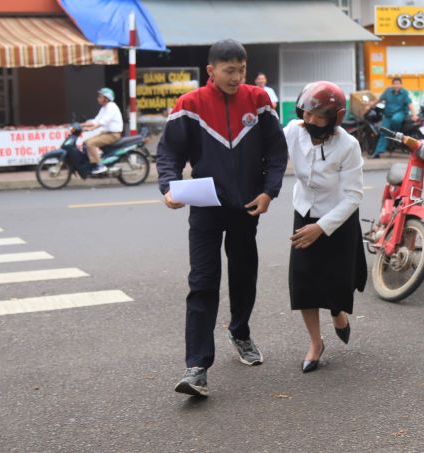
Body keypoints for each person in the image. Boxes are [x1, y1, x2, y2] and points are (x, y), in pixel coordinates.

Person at [157, 39, 288, 398]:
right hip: (205, 208)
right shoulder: (190, 105)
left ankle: (240, 332)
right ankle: (197, 366)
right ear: (210, 71)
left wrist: (268, 192)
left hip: (247, 206)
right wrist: (169, 188)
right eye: (229, 70)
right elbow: (168, 151)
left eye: (241, 69)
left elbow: (277, 151)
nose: (237, 77)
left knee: (244, 274)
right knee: (202, 281)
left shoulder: (259, 101)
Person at [284, 81, 366, 374]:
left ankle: (337, 310)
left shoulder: (348, 146)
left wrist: (321, 227)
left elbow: (354, 196)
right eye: (307, 114)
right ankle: (316, 342)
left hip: (337, 218)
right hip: (304, 211)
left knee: (336, 282)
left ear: (334, 118)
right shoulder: (294, 131)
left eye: (319, 117)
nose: (311, 121)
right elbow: (272, 158)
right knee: (303, 281)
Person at [81, 87, 123, 175]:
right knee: (85, 143)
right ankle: (92, 164)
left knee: (90, 144)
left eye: (100, 97)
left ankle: (99, 166)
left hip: (113, 135)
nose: (98, 98)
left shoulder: (111, 106)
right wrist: (81, 125)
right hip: (106, 133)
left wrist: (92, 128)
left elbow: (104, 121)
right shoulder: (104, 108)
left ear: (106, 98)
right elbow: (95, 120)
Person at [371, 77, 417, 158]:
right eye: (394, 84)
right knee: (383, 131)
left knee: (395, 119)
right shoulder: (387, 91)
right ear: (392, 85)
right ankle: (378, 152)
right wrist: (370, 106)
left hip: (400, 113)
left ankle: (394, 133)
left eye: (398, 84)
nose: (396, 85)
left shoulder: (404, 93)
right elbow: (379, 100)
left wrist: (414, 114)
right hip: (388, 115)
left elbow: (410, 104)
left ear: (401, 85)